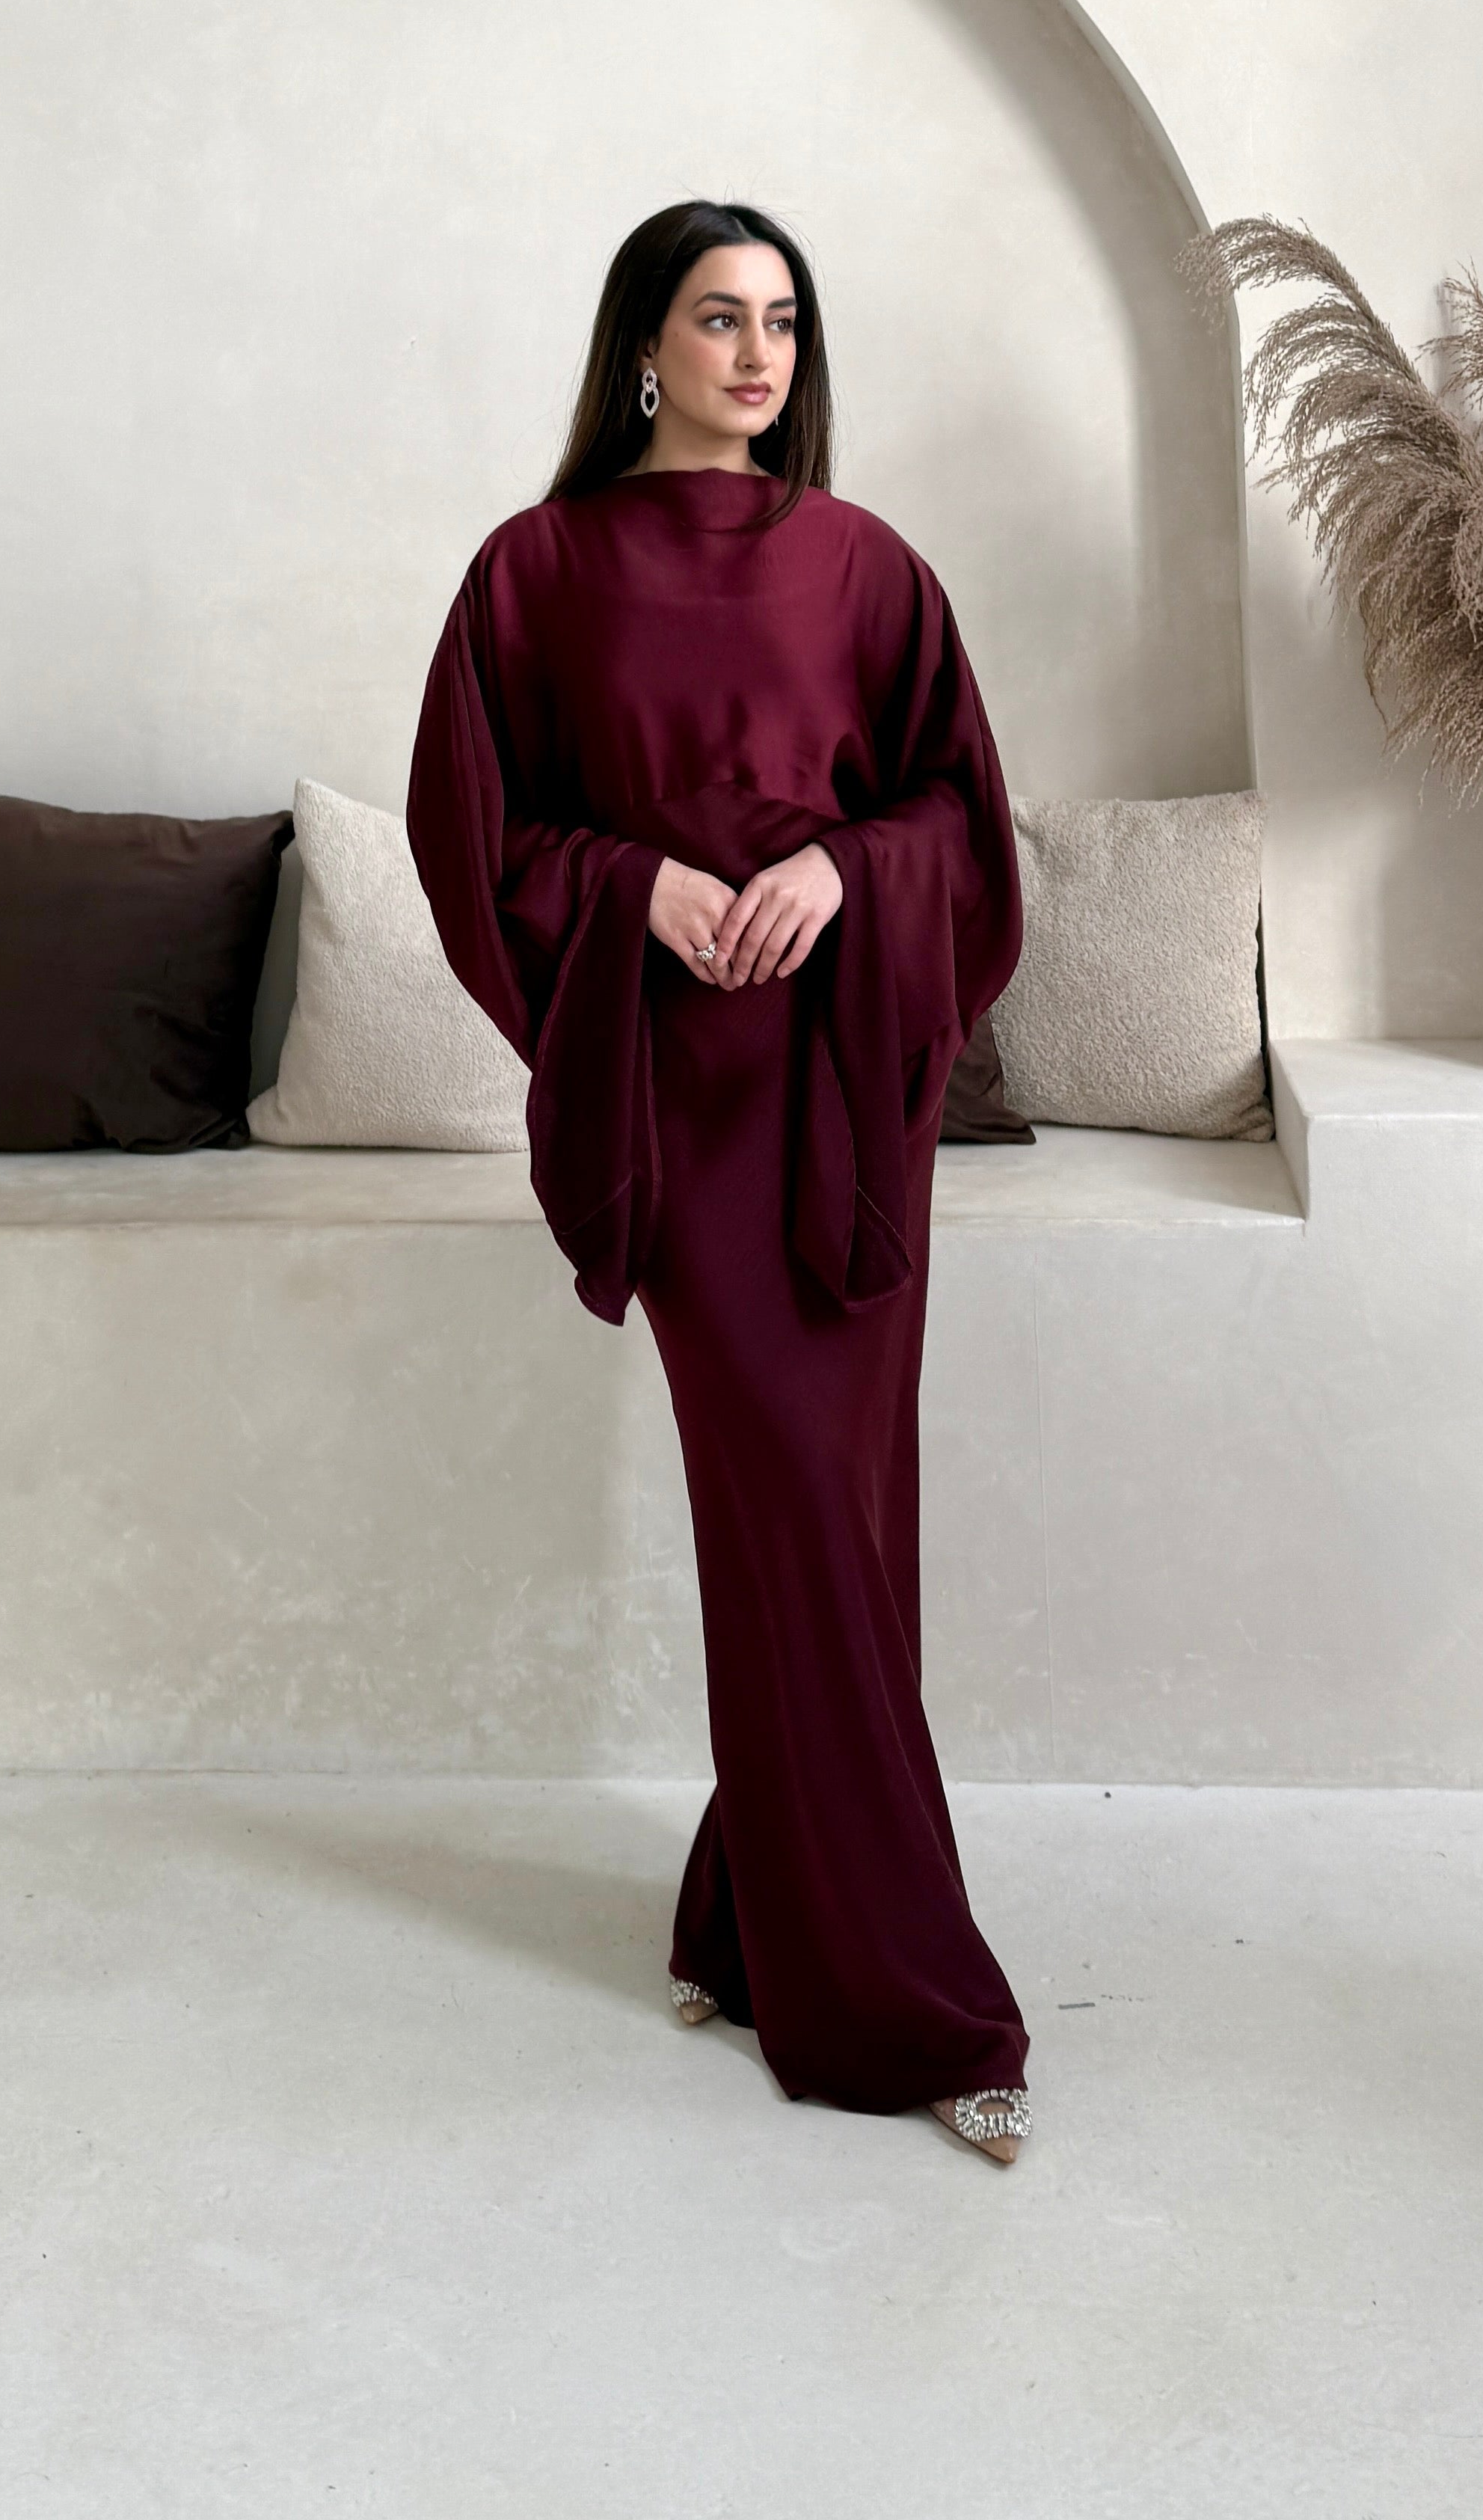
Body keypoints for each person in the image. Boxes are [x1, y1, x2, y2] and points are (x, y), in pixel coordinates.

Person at [406, 200, 1032, 2165]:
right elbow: (472, 835)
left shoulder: (869, 567)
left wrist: (844, 867)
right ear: (643, 346)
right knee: (795, 1518)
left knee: (843, 1524)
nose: (757, 355)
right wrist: (632, 886)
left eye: (781, 322)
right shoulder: (533, 573)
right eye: (716, 318)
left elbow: (962, 821)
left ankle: (750, 1921)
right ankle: (908, 2008)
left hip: (847, 1098)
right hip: (676, 1100)